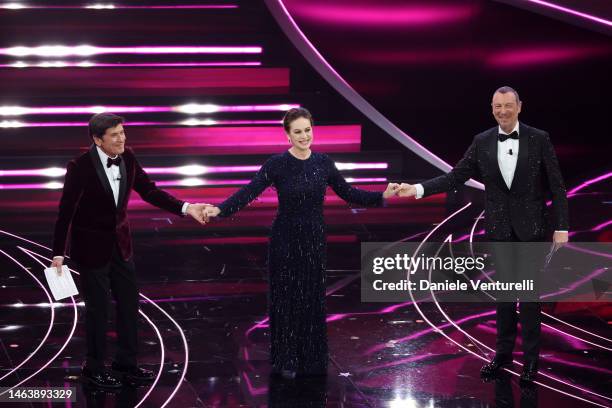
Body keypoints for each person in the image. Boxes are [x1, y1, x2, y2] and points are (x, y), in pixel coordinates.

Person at [203, 108, 401, 378]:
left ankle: (311, 355)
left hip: (314, 239)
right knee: (286, 300)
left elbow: (348, 192)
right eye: (297, 131)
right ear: (287, 135)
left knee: (311, 299)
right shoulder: (276, 164)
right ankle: (286, 359)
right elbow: (249, 191)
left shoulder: (324, 163)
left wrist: (381, 196)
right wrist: (221, 209)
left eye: (307, 130)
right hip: (285, 239)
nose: (304, 136)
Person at [398, 86, 569, 382]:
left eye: (508, 105)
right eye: (497, 106)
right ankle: (502, 356)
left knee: (528, 299)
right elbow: (455, 177)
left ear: (519, 106)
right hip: (500, 230)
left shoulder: (538, 138)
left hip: (531, 230)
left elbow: (557, 185)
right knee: (503, 298)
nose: (502, 111)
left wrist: (562, 226)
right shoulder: (482, 141)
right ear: (492, 109)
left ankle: (530, 363)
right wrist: (417, 189)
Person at [50, 113, 209, 388]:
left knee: (129, 306)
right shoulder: (80, 166)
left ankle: (127, 363)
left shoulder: (129, 157)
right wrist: (58, 253)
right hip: (91, 248)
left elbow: (149, 191)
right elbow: (66, 211)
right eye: (115, 135)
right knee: (98, 310)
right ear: (98, 140)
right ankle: (94, 367)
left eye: (123, 133)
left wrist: (185, 207)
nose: (122, 138)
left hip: (122, 246)